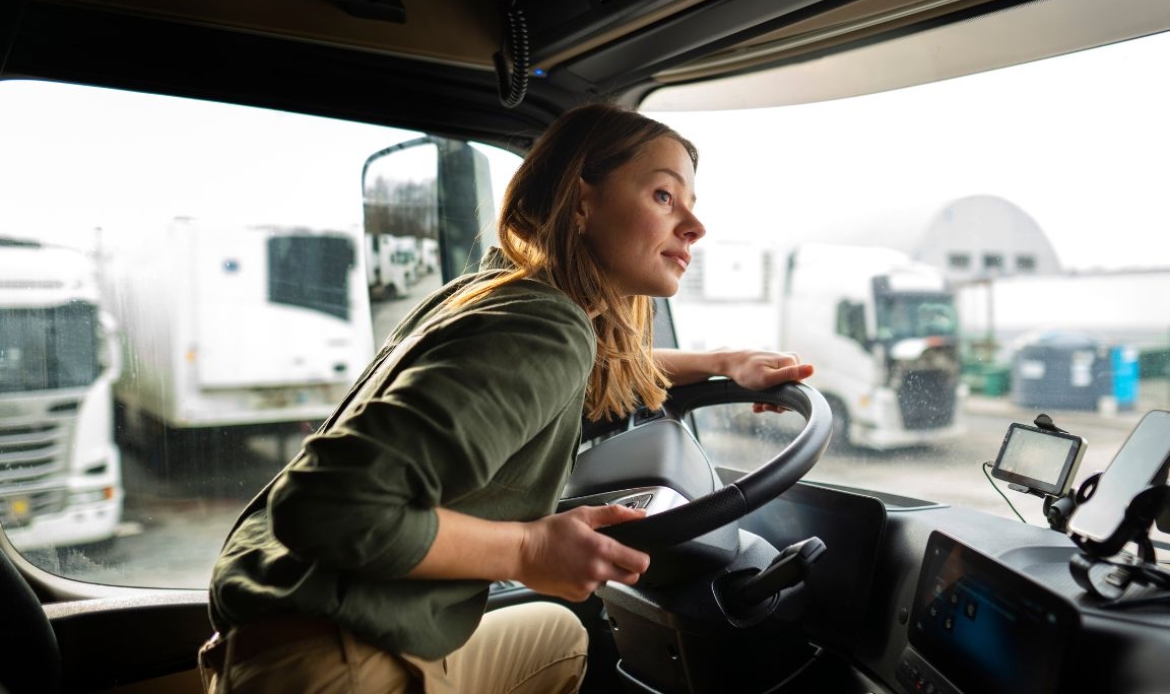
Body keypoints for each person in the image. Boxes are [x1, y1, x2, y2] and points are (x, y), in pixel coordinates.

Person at [199, 103, 814, 693]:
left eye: (690, 204)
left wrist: (721, 362)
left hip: (298, 633)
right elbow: (326, 505)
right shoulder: (545, 328)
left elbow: (589, 369)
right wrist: (529, 549)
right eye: (663, 195)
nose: (695, 226)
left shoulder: (498, 298)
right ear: (581, 201)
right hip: (337, 664)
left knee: (556, 637)